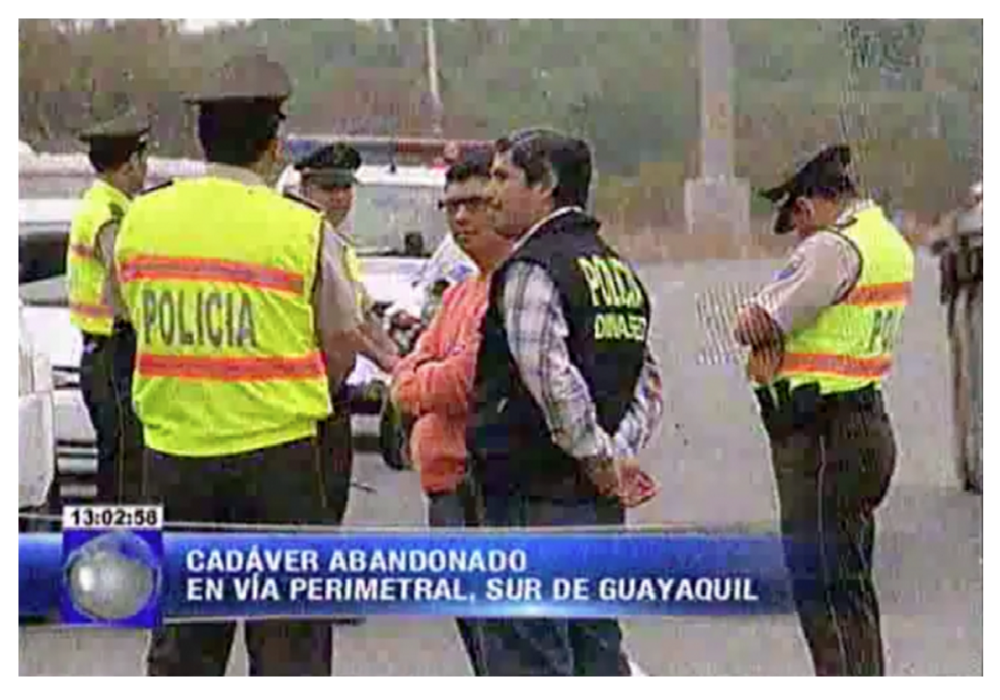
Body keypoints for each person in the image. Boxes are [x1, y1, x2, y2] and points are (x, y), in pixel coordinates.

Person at [114, 53, 362, 676]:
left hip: (172, 459)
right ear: (274, 146)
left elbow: (128, 311)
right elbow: (341, 342)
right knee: (289, 643)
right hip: (279, 463)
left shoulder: (142, 218)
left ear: (202, 143)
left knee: (181, 642)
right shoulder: (302, 229)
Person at [467, 129, 664, 676]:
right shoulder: (616, 271)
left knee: (532, 660)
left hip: (531, 497)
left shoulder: (533, 267)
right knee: (596, 654)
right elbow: (646, 384)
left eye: (503, 177)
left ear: (546, 184)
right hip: (596, 506)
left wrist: (599, 458)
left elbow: (550, 378)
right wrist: (615, 457)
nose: (490, 193)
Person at [733, 144, 915, 675]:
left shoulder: (831, 249)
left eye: (795, 224)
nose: (798, 237)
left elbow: (755, 323)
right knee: (850, 591)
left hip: (820, 437)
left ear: (807, 207)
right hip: (863, 424)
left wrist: (752, 317)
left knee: (823, 594)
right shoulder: (885, 240)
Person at [390, 150, 509, 676]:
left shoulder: (509, 287)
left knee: (500, 643)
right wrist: (419, 379)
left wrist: (420, 381)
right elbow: (405, 374)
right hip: (443, 488)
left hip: (479, 486)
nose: (462, 218)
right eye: (451, 207)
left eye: (475, 204)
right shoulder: (462, 291)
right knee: (476, 642)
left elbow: (463, 382)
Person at [295, 143, 401, 528]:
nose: (340, 198)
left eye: (345, 188)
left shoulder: (337, 245)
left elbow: (364, 314)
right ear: (305, 188)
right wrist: (391, 364)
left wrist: (400, 359)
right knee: (314, 514)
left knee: (330, 505)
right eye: (329, 189)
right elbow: (345, 328)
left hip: (329, 391)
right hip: (305, 394)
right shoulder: (305, 238)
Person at [67, 109, 150, 505]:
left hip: (102, 351)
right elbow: (124, 281)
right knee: (124, 469)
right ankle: (119, 554)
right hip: (114, 351)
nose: (144, 170)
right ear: (131, 162)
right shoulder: (110, 213)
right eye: (142, 161)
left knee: (120, 461)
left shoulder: (97, 203)